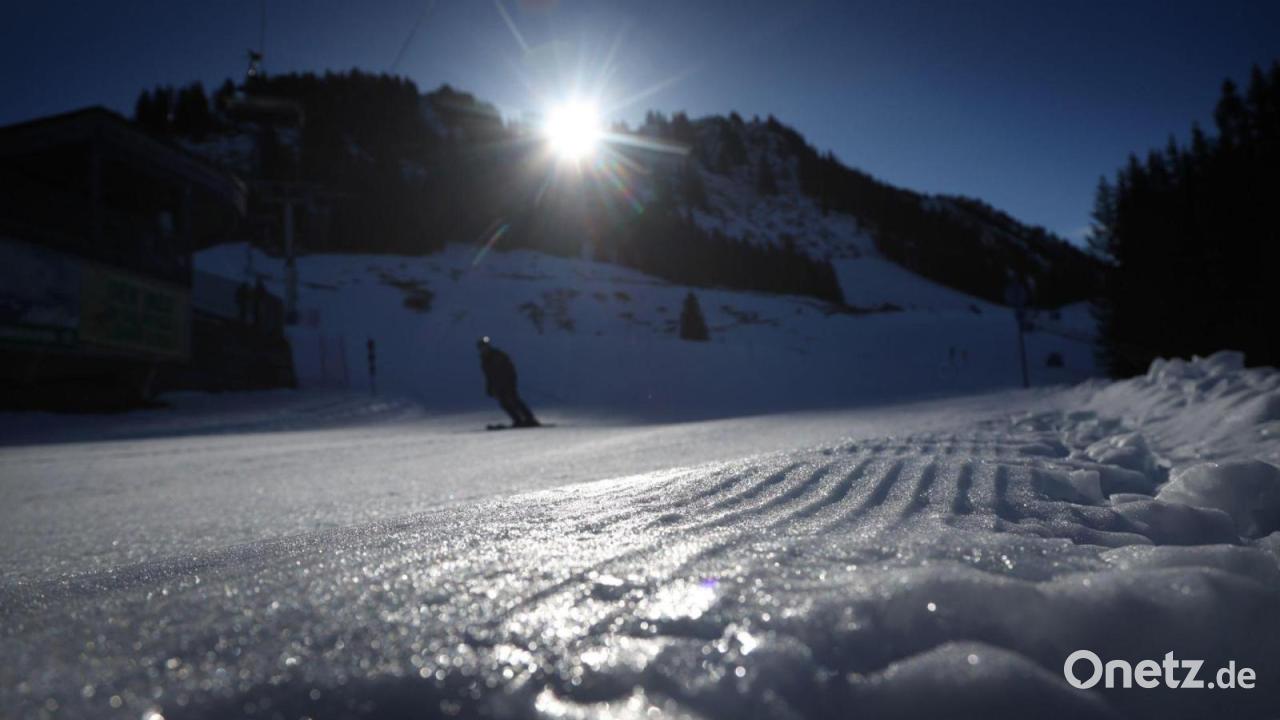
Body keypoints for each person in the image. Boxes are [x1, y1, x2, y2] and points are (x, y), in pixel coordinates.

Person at [477, 336, 539, 427]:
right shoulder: (484, 360)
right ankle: (517, 420)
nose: (483, 349)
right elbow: (489, 376)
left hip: (508, 383)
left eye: (485, 347)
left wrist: (510, 381)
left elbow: (509, 369)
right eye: (482, 348)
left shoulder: (498, 355)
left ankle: (529, 419)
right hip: (498, 386)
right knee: (504, 403)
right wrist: (489, 387)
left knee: (514, 400)